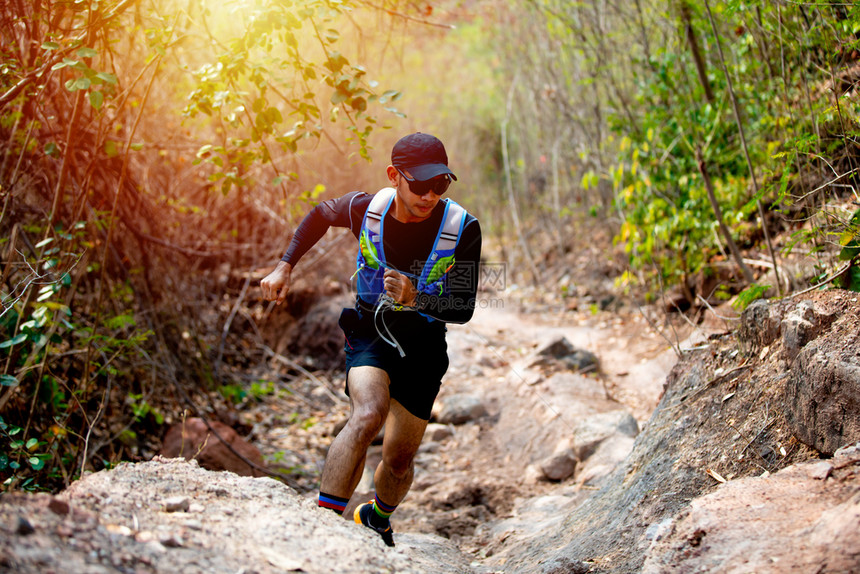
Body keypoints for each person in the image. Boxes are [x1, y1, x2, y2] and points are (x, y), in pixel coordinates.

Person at [260, 133, 482, 547]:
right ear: (394, 176)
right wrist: (285, 265)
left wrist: (418, 296)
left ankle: (376, 515)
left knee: (399, 460)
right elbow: (321, 214)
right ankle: (323, 528)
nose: (431, 194)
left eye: (442, 184)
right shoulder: (367, 209)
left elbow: (464, 306)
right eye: (420, 184)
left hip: (425, 346)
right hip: (370, 332)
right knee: (368, 414)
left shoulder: (463, 227)